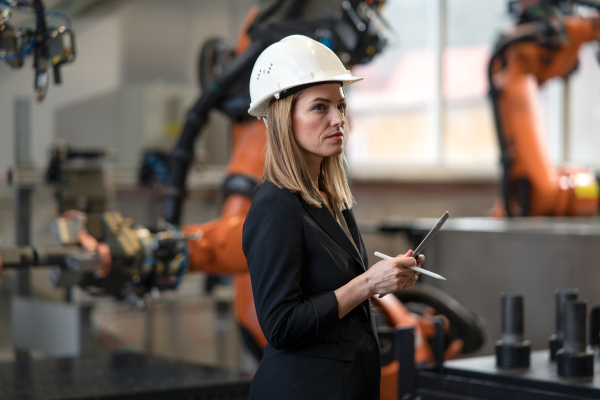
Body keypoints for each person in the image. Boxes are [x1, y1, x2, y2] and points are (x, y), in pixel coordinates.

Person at [242, 35, 423, 400]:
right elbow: (281, 325)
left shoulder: (332, 200)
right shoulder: (275, 206)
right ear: (283, 118)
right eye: (320, 107)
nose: (338, 119)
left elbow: (336, 301)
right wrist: (367, 284)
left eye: (340, 106)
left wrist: (385, 280)